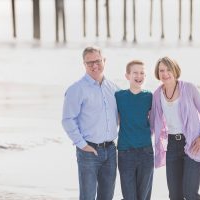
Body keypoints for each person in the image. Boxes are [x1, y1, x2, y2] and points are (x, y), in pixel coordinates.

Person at [150, 56, 200, 200]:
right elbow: (152, 124)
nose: (165, 73)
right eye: (161, 70)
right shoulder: (157, 94)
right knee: (175, 196)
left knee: (190, 194)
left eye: (168, 69)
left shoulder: (189, 88)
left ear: (175, 70)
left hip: (193, 143)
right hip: (172, 146)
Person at [62, 46, 118, 200]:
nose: (94, 66)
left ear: (104, 61)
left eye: (98, 61)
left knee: (107, 196)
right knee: (87, 196)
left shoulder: (113, 88)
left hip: (111, 150)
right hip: (88, 151)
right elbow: (67, 119)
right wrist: (82, 144)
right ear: (84, 64)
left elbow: (120, 116)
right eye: (90, 63)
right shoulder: (76, 89)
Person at [115, 60, 154, 200]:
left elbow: (159, 119)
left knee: (143, 197)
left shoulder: (150, 96)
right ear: (127, 76)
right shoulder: (119, 96)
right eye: (135, 73)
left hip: (146, 152)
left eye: (142, 73)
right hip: (125, 153)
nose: (139, 76)